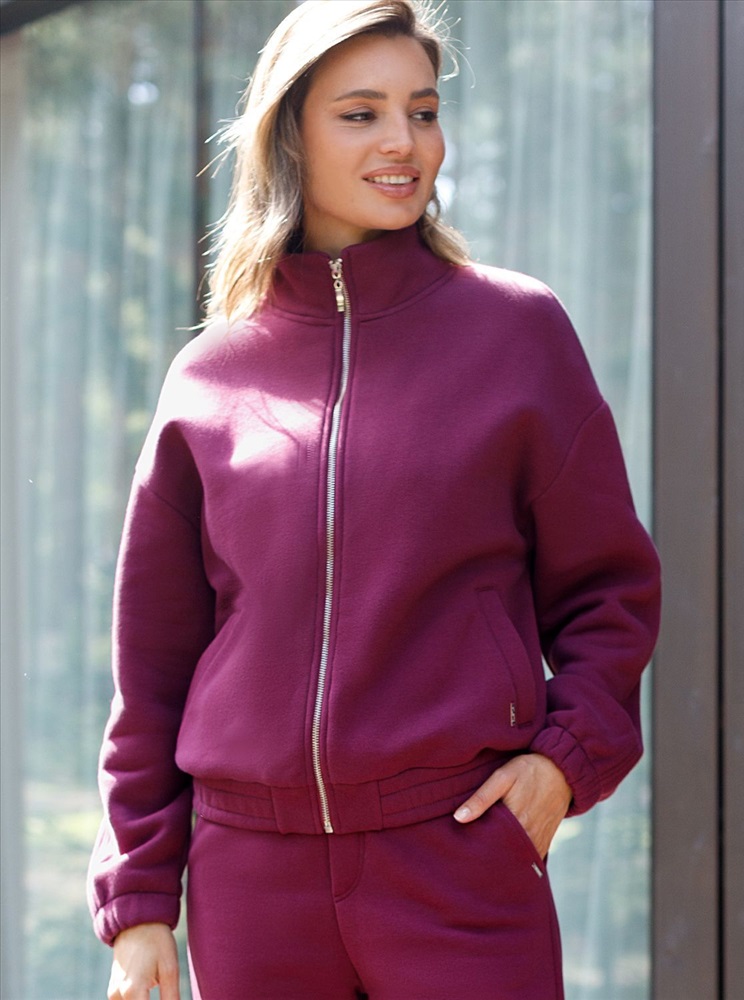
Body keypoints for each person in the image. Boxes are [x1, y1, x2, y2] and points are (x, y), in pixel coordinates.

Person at [87, 2, 661, 998]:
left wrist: (562, 761)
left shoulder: (516, 332)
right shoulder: (210, 376)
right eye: (361, 114)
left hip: (456, 858)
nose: (404, 141)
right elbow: (154, 666)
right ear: (290, 136)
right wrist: (138, 901)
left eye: (422, 111)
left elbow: (609, 593)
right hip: (250, 880)